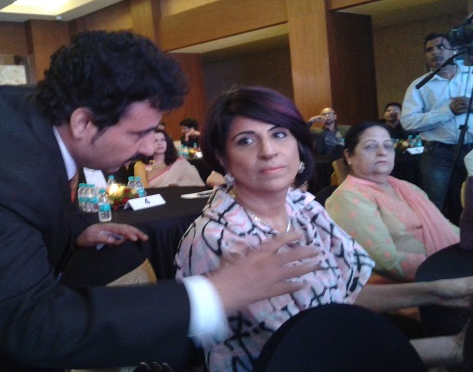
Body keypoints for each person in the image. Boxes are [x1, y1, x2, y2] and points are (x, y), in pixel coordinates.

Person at [0, 31, 325, 371]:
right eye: (139, 133)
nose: (149, 148)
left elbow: (31, 199)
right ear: (84, 122)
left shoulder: (32, 114)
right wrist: (218, 292)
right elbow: (35, 325)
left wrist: (75, 227)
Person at [175, 85, 473, 372]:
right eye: (246, 141)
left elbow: (345, 294)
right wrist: (451, 348)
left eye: (279, 134)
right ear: (223, 158)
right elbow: (309, 348)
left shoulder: (303, 206)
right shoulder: (215, 238)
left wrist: (443, 291)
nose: (269, 151)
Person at [325, 122, 459, 282]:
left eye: (388, 146)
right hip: (418, 286)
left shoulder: (407, 188)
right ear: (349, 156)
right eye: (371, 146)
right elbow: (387, 261)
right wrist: (452, 268)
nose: (382, 152)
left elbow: (446, 227)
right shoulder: (348, 197)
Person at [401, 33, 473, 224]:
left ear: (454, 50)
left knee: (470, 200)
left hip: (472, 150)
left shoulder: (471, 75)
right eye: (429, 50)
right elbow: (407, 122)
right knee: (435, 204)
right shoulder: (419, 86)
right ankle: (439, 240)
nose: (435, 52)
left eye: (440, 47)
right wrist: (447, 111)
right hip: (438, 153)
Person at [134, 129, 204, 188]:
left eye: (163, 140)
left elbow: (196, 186)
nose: (160, 143)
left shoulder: (180, 163)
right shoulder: (140, 165)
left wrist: (177, 185)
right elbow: (141, 190)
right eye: (155, 140)